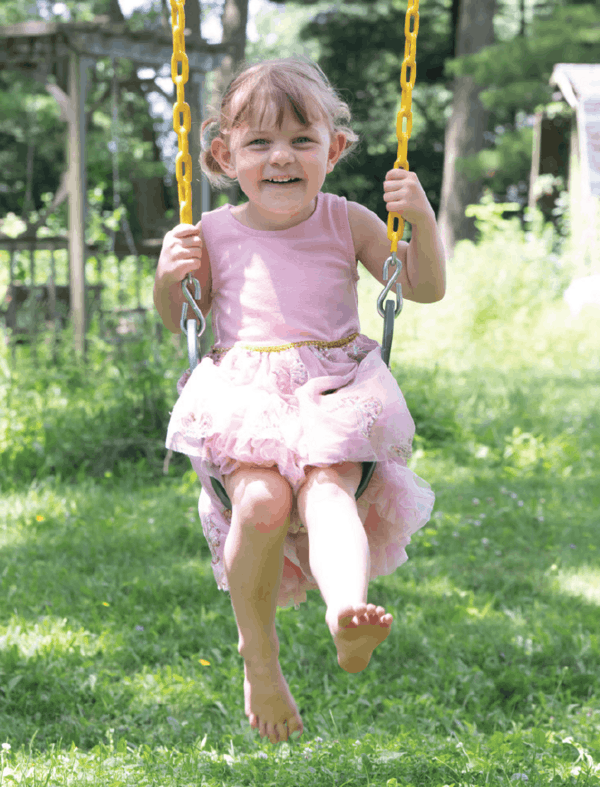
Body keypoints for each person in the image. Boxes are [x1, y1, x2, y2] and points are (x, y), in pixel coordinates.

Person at [154, 57, 446, 746]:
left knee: (328, 494)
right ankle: (259, 656)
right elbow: (179, 317)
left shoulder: (349, 222)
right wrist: (169, 278)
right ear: (225, 155)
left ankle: (349, 612)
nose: (280, 157)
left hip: (333, 399)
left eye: (301, 139)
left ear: (333, 149)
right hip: (246, 403)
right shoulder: (215, 232)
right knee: (259, 504)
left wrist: (421, 220)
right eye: (259, 142)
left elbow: (425, 287)